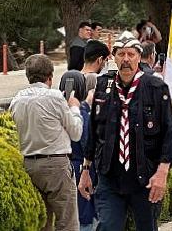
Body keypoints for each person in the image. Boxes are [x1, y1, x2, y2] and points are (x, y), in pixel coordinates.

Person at [78, 31, 172, 231]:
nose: (126, 59)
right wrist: (86, 170)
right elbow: (93, 132)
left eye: (131, 54)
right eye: (121, 54)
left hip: (145, 177)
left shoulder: (156, 87)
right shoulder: (102, 87)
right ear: (113, 57)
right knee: (107, 226)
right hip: (110, 176)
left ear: (139, 57)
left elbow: (170, 134)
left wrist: (162, 173)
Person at [9, 54, 83, 231]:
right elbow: (76, 133)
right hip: (56, 165)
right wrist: (74, 107)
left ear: (28, 76)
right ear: (50, 76)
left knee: (43, 222)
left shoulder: (16, 100)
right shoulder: (55, 98)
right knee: (67, 222)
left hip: (29, 164)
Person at [59, 71, 98, 231]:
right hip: (82, 169)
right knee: (85, 217)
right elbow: (88, 143)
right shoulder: (81, 113)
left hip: (61, 166)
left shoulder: (56, 111)